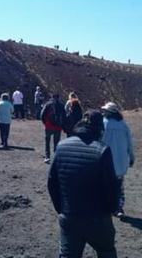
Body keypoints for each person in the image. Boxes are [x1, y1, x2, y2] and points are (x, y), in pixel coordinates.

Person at [48, 110, 120, 258]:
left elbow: (51, 182)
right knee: (107, 252)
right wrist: (110, 209)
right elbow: (112, 188)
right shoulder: (102, 150)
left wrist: (62, 209)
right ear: (100, 130)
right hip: (97, 217)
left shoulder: (61, 146)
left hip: (69, 216)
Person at [101, 102, 135, 218]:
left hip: (106, 161)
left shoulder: (103, 124)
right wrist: (132, 157)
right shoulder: (124, 125)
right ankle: (119, 208)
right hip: (121, 161)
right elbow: (130, 144)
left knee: (105, 184)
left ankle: (106, 207)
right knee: (119, 186)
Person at [41, 94, 65, 164]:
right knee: (56, 142)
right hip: (58, 127)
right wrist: (62, 125)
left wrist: (45, 123)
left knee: (47, 141)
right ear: (58, 98)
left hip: (49, 126)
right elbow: (64, 116)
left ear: (52, 97)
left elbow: (42, 115)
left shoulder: (48, 105)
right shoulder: (61, 105)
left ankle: (47, 156)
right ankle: (56, 157)